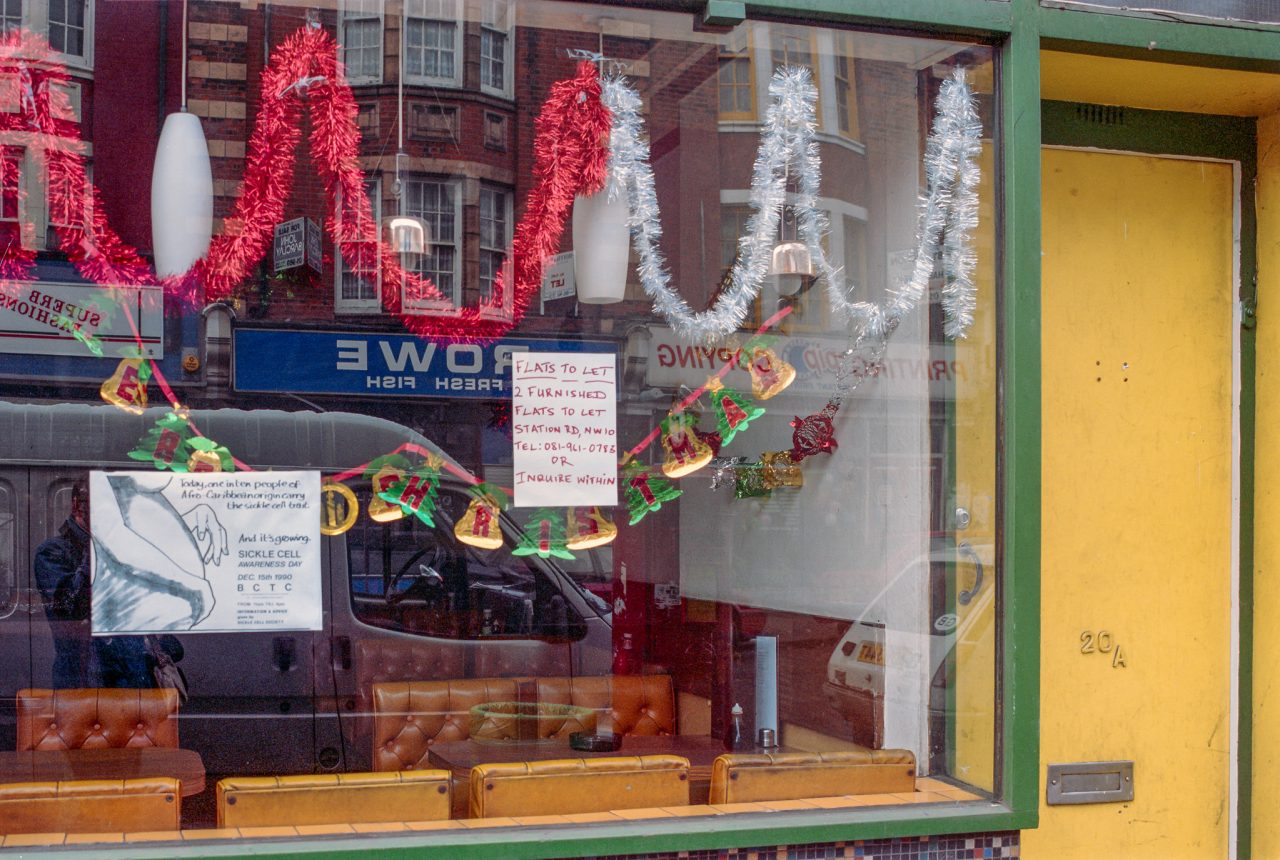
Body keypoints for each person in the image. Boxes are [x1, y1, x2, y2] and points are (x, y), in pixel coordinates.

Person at [33, 478, 153, 688]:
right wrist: (96, 545)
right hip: (85, 676)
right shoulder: (52, 552)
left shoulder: (119, 550)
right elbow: (69, 606)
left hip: (131, 674)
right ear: (77, 506)